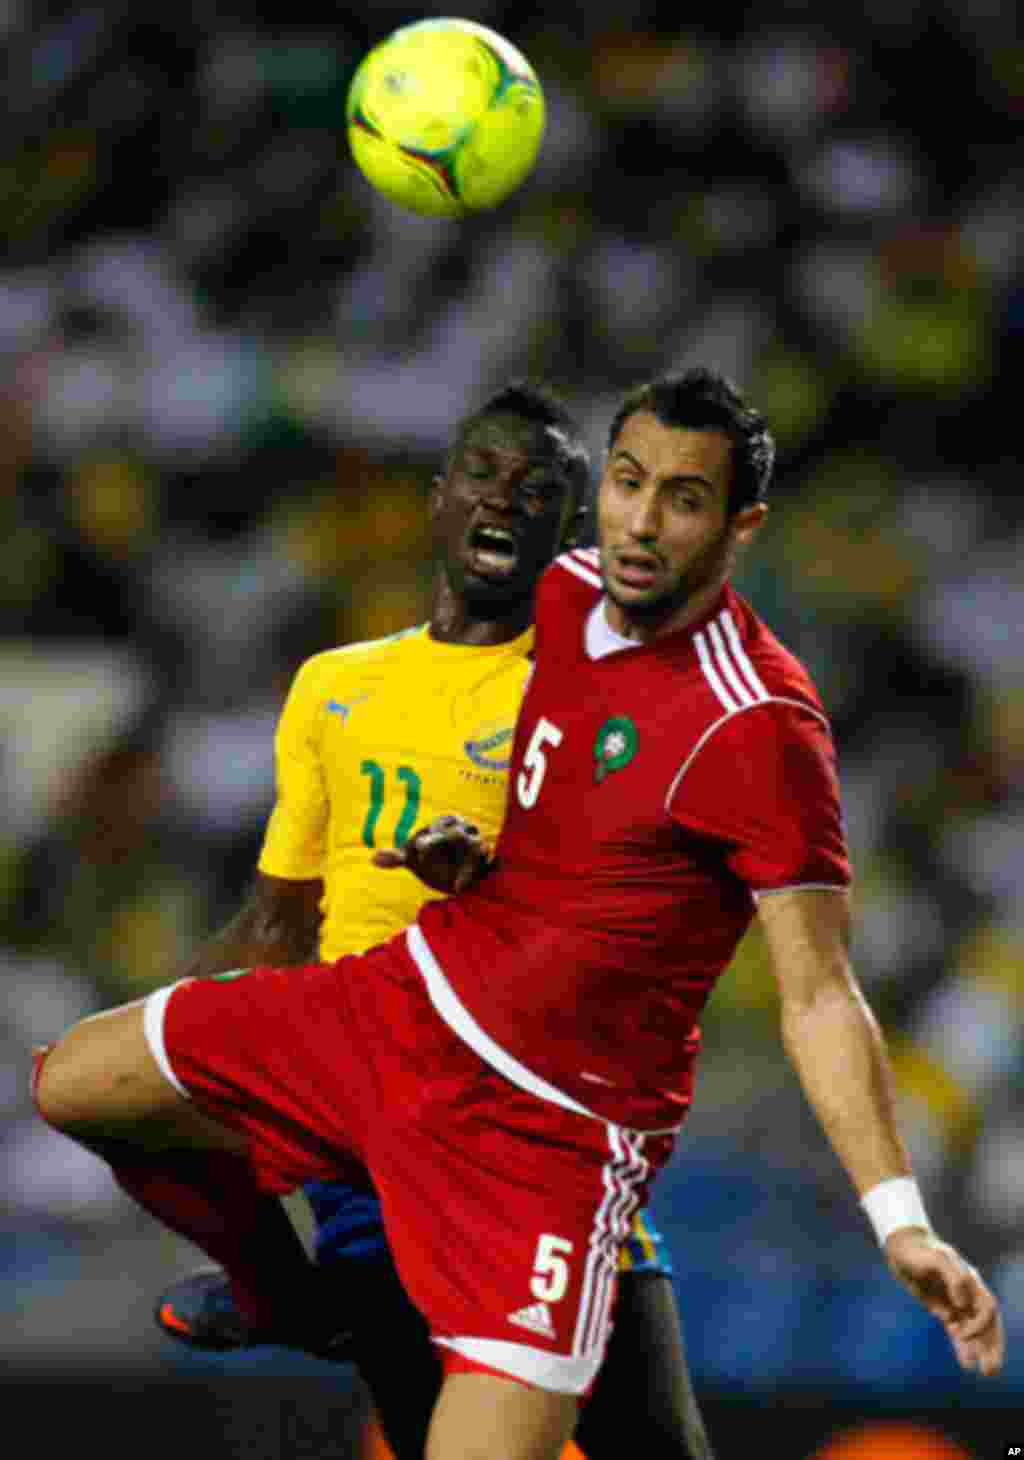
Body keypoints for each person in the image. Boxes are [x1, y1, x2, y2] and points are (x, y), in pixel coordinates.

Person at [34, 368, 1005, 1460]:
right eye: (628, 482)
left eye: (683, 498)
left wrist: (899, 1219)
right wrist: (474, 863)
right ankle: (289, 1299)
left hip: (541, 1132)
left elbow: (821, 993)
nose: (641, 520)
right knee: (78, 1081)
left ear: (743, 525)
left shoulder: (756, 725)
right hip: (400, 1007)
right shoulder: (567, 594)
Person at [53, 381, 713, 1460]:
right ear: (436, 498)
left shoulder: (599, 699)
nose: (507, 497)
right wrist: (182, 1046)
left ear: (570, 528)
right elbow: (279, 921)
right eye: (486, 473)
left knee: (658, 1445)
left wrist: (490, 882)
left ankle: (292, 1295)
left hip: (523, 1119)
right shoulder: (335, 683)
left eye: (541, 487)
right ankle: (292, 1296)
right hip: (363, 1124)